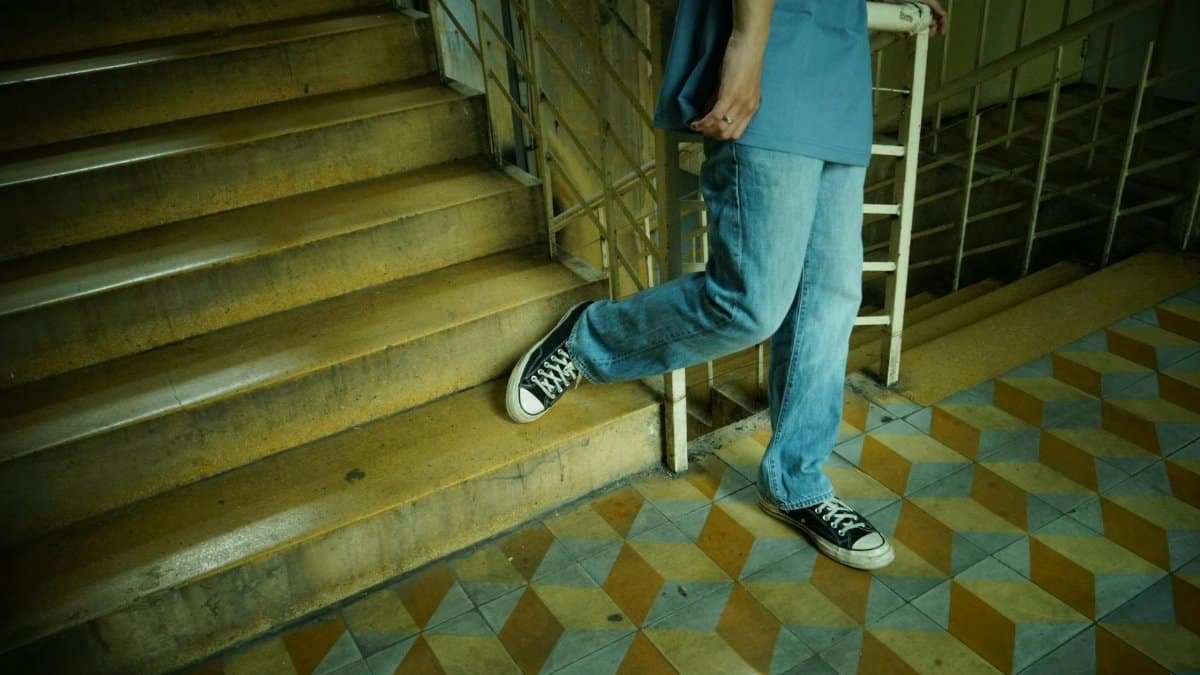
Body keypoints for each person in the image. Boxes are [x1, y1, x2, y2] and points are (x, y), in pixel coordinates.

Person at [506, 0, 947, 571]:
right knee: (752, 303)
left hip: (836, 59)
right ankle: (589, 339)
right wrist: (747, 42)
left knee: (831, 298)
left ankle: (797, 480)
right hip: (773, 39)